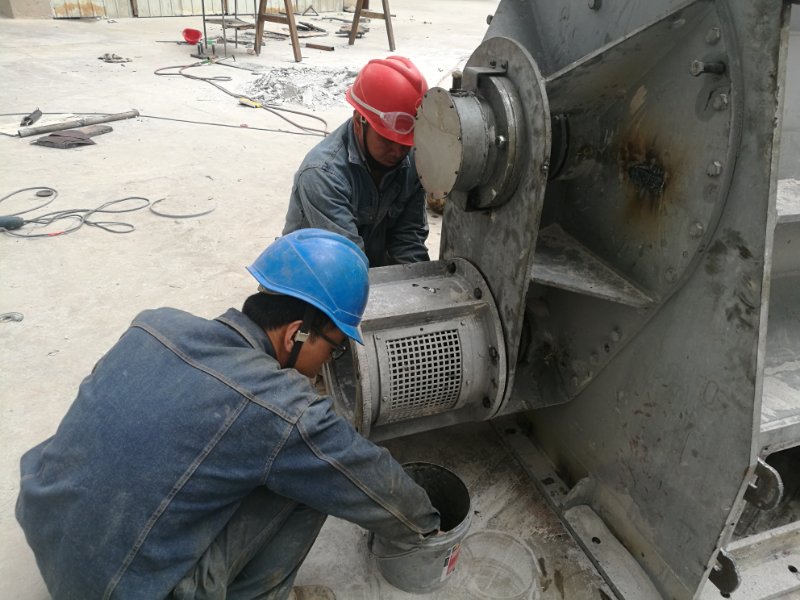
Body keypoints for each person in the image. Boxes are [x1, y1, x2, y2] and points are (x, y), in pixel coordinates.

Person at [16, 229, 440, 600]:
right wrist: (426, 525)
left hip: (46, 529)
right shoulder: (281, 407)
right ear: (297, 334)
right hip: (127, 590)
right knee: (314, 480)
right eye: (336, 347)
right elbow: (366, 478)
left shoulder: (154, 324)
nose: (331, 361)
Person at [283, 56, 430, 268]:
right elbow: (348, 262)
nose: (398, 151)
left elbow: (409, 241)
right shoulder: (323, 174)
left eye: (406, 142)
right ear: (359, 121)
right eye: (387, 140)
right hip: (311, 275)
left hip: (360, 268)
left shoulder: (413, 160)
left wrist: (418, 283)